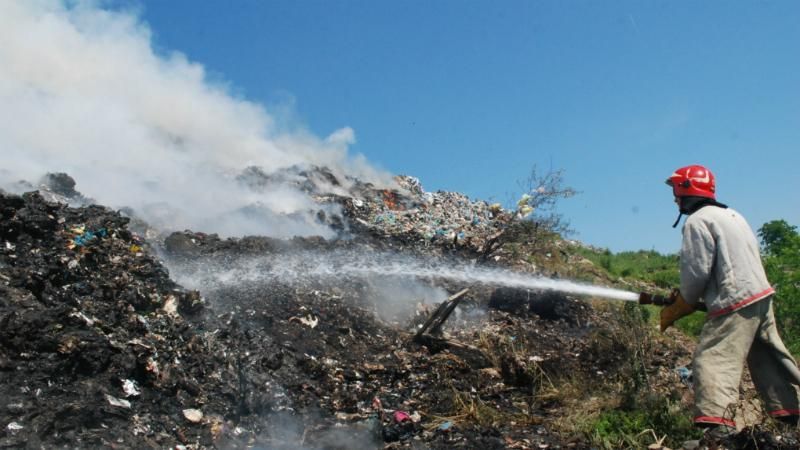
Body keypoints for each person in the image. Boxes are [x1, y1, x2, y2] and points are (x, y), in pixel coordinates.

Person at [659, 164, 800, 435]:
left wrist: (681, 305)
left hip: (734, 301)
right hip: (760, 296)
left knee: (712, 359)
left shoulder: (698, 222)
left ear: (685, 189)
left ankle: (717, 427)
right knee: (770, 357)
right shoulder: (732, 215)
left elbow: (696, 273)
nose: (675, 198)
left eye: (676, 191)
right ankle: (789, 416)